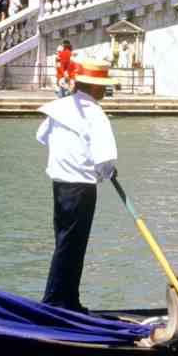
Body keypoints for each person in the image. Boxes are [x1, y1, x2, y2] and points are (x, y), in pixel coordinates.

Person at [36, 60, 119, 311]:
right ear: (95, 88)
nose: (105, 92)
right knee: (73, 245)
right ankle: (56, 302)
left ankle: (67, 299)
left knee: (64, 241)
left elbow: (42, 137)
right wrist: (108, 172)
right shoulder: (95, 113)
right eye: (103, 87)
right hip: (81, 186)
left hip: (60, 183)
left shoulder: (59, 108)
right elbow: (105, 158)